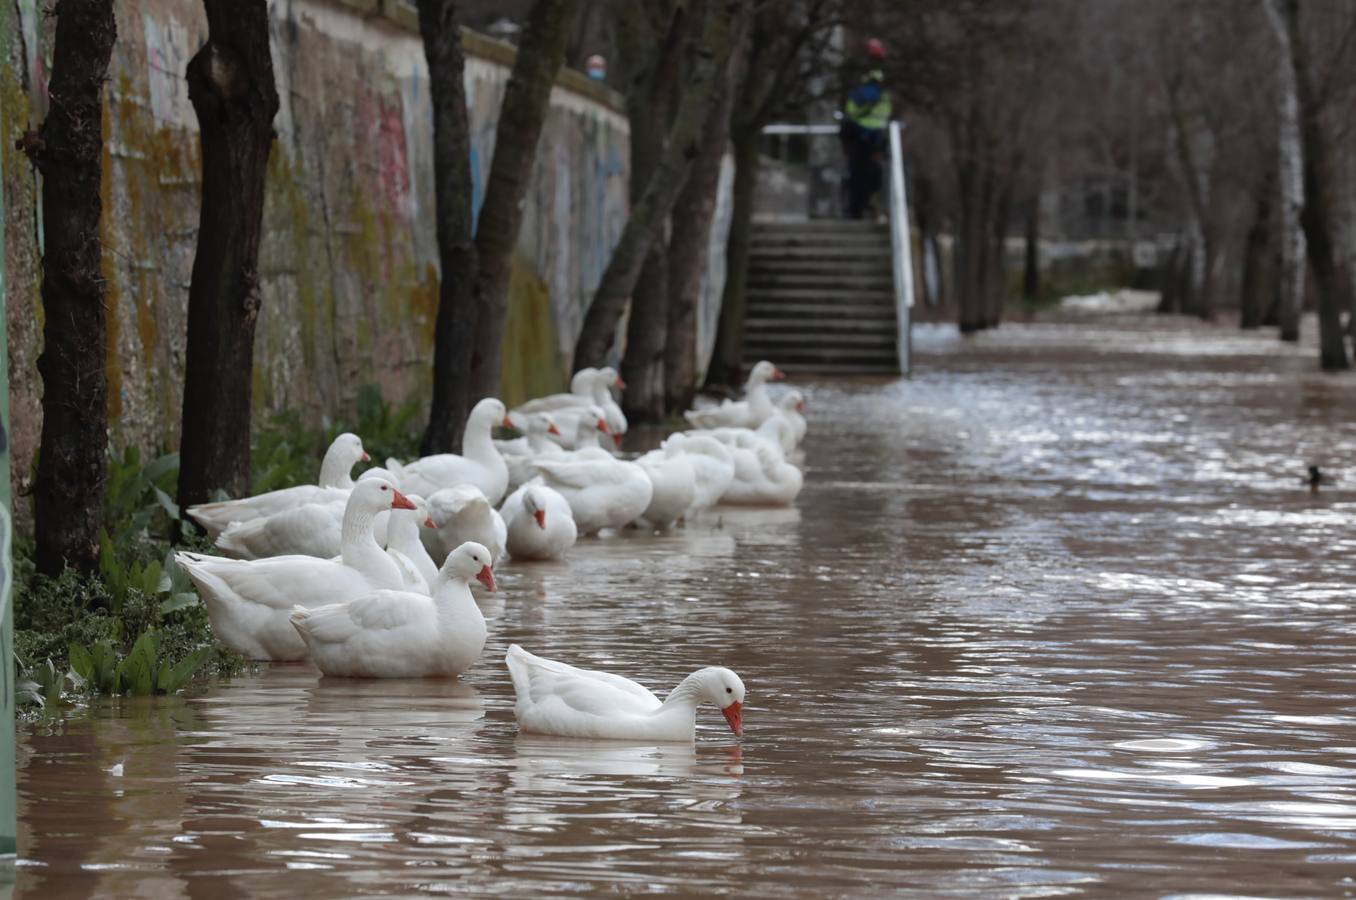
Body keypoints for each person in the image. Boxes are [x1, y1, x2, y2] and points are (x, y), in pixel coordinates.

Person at [840, 38, 892, 219]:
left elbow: (851, 109)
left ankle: (858, 208)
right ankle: (861, 207)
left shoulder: (864, 83)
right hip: (870, 134)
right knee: (866, 174)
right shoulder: (875, 86)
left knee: (861, 174)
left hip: (865, 134)